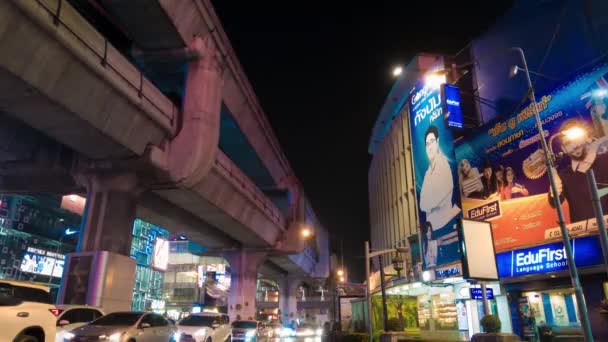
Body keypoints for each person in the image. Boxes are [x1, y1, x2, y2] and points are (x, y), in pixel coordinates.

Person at [549, 118, 608, 222]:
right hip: (585, 236)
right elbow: (554, 203)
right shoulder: (564, 175)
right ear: (563, 149)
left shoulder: (605, 159)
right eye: (567, 143)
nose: (574, 146)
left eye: (576, 139)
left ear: (585, 137)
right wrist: (553, 191)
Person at [419, 125, 461, 230]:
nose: (429, 147)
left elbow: (437, 199)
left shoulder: (444, 165)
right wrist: (431, 204)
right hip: (433, 229)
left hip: (446, 225)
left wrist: (430, 203)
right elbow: (422, 205)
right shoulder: (427, 173)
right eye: (427, 144)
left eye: (432, 141)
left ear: (437, 142)